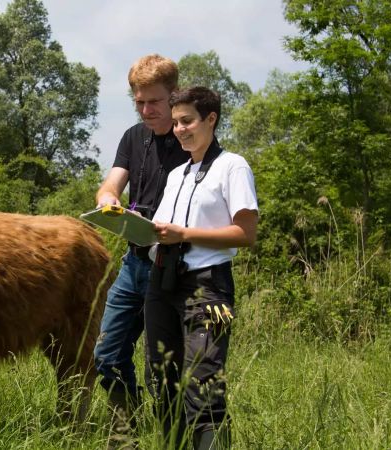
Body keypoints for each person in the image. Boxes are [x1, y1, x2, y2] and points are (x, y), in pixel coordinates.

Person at [144, 86, 258, 449]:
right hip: (163, 282)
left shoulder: (232, 166)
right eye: (176, 122)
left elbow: (245, 233)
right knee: (161, 379)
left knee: (202, 385)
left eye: (187, 121)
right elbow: (163, 231)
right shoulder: (177, 174)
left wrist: (184, 234)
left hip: (207, 285)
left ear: (211, 119)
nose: (179, 129)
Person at [93, 54, 190, 440]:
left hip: (172, 265)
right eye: (138, 102)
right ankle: (127, 430)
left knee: (161, 367)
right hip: (133, 264)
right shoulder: (134, 137)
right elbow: (110, 183)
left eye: (153, 102)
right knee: (106, 355)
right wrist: (108, 201)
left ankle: (170, 437)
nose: (146, 110)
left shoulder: (191, 138)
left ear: (173, 96)